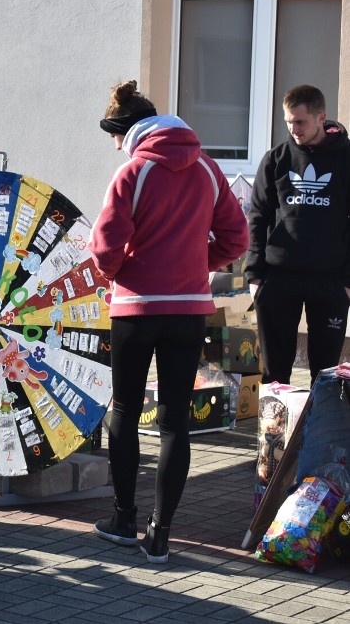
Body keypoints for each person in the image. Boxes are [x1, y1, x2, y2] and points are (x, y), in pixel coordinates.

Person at [88, 80, 248, 564]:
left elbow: (104, 250)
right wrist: (198, 264)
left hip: (136, 309)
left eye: (116, 137)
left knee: (125, 412)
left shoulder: (132, 173)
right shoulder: (207, 167)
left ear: (128, 131)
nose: (117, 146)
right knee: (175, 420)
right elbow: (236, 238)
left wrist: (120, 272)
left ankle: (123, 518)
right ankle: (161, 533)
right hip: (188, 310)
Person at [246, 84, 350, 387]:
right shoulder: (275, 159)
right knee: (275, 372)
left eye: (300, 122)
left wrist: (346, 282)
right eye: (288, 121)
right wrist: (254, 276)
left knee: (326, 373)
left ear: (322, 117)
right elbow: (258, 217)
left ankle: (320, 433)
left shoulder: (345, 159)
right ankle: (274, 434)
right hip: (278, 277)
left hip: (330, 280)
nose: (294, 129)